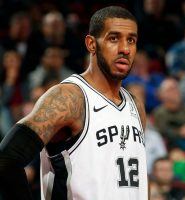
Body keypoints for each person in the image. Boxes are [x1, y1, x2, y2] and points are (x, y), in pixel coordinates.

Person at [0, 6, 148, 200]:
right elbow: (7, 159)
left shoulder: (135, 106)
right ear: (91, 44)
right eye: (114, 38)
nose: (125, 49)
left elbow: (139, 183)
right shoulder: (69, 98)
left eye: (131, 40)